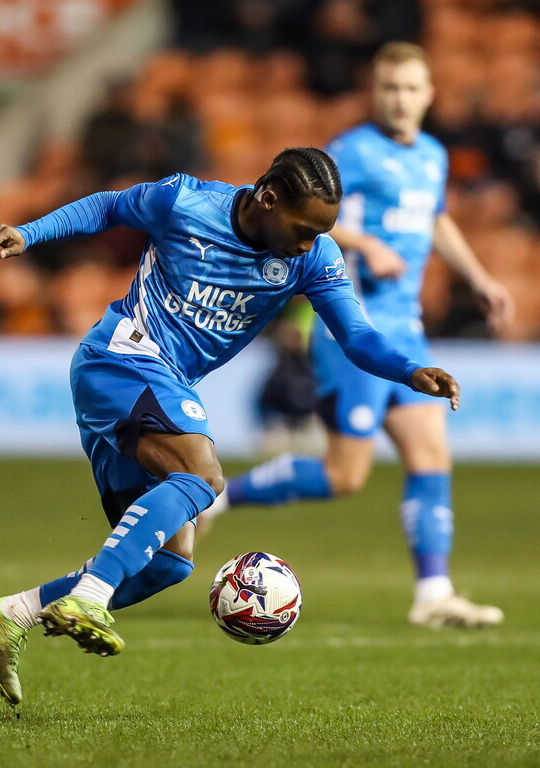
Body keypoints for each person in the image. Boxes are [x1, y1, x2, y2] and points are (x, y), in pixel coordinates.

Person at [0, 146, 461, 708]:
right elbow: (107, 208)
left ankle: (11, 613)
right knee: (202, 473)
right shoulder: (184, 201)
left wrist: (409, 369)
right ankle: (91, 596)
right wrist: (30, 233)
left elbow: (357, 336)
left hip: (162, 385)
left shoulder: (314, 257)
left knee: (169, 565)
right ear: (269, 199)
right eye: (303, 229)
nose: (309, 242)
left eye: (320, 232)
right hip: (120, 359)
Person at [208, 43, 514, 629]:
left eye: (410, 88)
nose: (400, 99)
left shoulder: (431, 155)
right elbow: (309, 215)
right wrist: (364, 243)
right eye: (389, 88)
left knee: (430, 454)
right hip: (358, 330)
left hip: (409, 330)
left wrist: (477, 276)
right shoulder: (351, 151)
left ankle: (433, 593)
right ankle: (221, 497)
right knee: (345, 475)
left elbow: (435, 217)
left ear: (429, 94)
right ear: (375, 92)